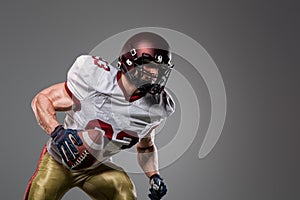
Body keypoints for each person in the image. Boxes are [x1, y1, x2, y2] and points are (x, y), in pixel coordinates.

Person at [24, 32, 175, 200]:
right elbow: (43, 99)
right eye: (148, 65)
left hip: (95, 168)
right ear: (130, 62)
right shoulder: (95, 79)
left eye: (159, 68)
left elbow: (146, 146)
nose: (155, 73)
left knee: (124, 190)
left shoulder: (155, 108)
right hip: (59, 161)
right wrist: (57, 131)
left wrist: (154, 175)